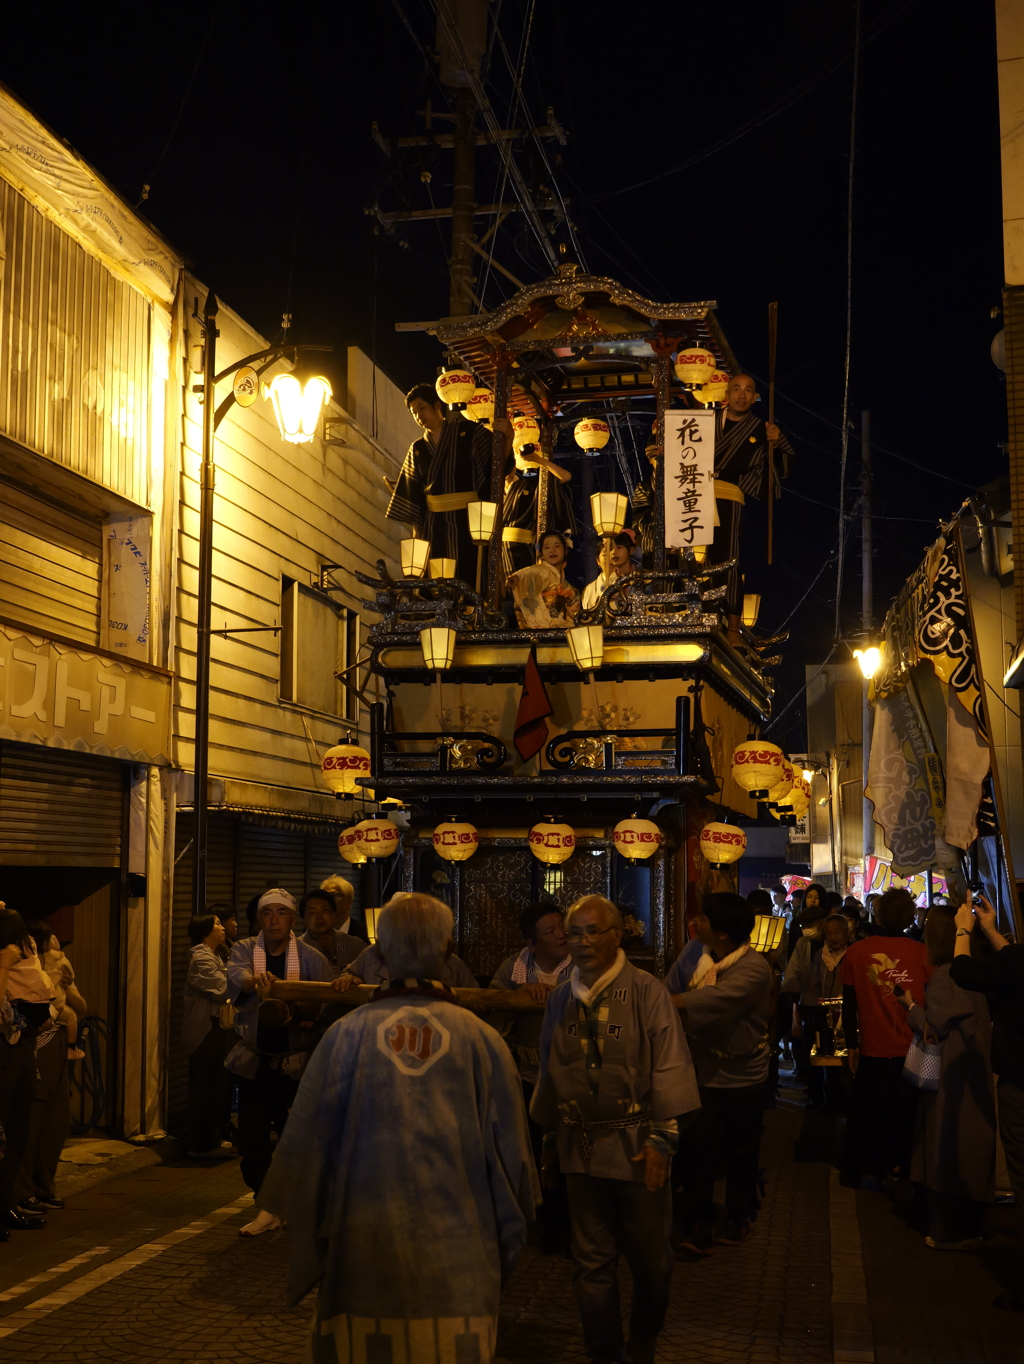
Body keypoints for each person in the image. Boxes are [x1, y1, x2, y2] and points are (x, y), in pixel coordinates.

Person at [258, 892, 538, 1363]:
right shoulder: (481, 1041)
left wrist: (316, 1227)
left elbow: (304, 1153)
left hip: (361, 1250)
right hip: (458, 1259)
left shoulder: (345, 1036)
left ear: (381, 955)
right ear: (448, 953)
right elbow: (515, 1165)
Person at [532, 895, 698, 1364]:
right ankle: (604, 1352)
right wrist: (548, 1140)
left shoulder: (647, 991)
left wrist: (663, 1140)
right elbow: (550, 1068)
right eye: (574, 933)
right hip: (579, 1145)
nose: (582, 943)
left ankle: (643, 1338)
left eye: (593, 932)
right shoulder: (562, 997)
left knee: (652, 1261)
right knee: (590, 1262)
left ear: (616, 934)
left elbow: (669, 1065)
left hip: (637, 1144)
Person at [226, 888, 336, 1234]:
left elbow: (327, 997)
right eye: (267, 913)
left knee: (297, 1139)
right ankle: (266, 1203)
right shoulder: (245, 949)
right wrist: (255, 981)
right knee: (253, 1140)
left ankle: (296, 1201)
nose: (274, 920)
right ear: (259, 919)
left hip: (297, 1063)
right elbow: (236, 977)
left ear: (292, 919)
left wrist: (310, 1011)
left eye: (282, 913)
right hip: (255, 1061)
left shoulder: (310, 956)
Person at [667, 892, 772, 1252]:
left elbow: (716, 1001)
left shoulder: (754, 967)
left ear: (723, 933)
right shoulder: (693, 953)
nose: (697, 923)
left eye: (705, 920)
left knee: (741, 1148)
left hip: (745, 1072)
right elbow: (671, 986)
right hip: (703, 1069)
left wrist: (667, 1002)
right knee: (698, 1148)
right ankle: (699, 1223)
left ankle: (739, 1215)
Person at [895, 905, 995, 1250]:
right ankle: (973, 1223)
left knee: (946, 1143)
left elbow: (931, 1027)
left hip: (952, 1075)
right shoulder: (976, 971)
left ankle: (950, 1230)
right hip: (975, 1069)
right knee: (970, 1144)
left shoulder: (947, 975)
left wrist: (909, 1006)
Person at [949, 894, 1024, 1309]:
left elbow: (963, 971)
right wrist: (992, 931)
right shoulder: (1016, 961)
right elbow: (1014, 962)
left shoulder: (1015, 964)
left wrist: (963, 928)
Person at [490, 902, 573, 1251]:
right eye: (550, 931)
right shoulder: (515, 968)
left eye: (561, 927)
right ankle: (529, 1222)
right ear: (532, 944)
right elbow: (490, 1005)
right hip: (525, 1076)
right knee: (529, 1148)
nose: (561, 935)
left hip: (570, 1078)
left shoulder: (580, 966)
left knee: (567, 1152)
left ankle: (565, 1226)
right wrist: (515, 996)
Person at [840, 887, 931, 1189]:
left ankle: (863, 1170)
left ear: (877, 913)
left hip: (872, 1046)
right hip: (912, 1046)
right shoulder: (922, 952)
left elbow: (849, 1003)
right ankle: (902, 1169)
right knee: (905, 1114)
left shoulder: (856, 951)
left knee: (866, 1111)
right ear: (908, 916)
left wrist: (852, 1044)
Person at [386, 383, 502, 584]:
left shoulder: (469, 432)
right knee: (439, 576)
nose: (418, 415)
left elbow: (497, 464)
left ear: (437, 405)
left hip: (469, 519)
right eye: (414, 412)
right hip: (435, 524)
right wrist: (417, 531)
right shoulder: (418, 448)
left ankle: (472, 610)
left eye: (422, 408)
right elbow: (412, 492)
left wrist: (507, 438)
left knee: (470, 570)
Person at [710, 374, 794, 631]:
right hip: (694, 493)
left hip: (730, 496)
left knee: (728, 559)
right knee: (695, 559)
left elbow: (785, 466)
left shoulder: (761, 428)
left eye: (748, 390)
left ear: (754, 397)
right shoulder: (705, 421)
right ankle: (703, 614)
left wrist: (776, 441)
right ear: (726, 393)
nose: (741, 395)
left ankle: (733, 627)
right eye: (736, 389)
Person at [14, 919, 85, 1216]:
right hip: (38, 1042)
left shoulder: (54, 966)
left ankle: (44, 1186)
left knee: (55, 1121)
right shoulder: (21, 968)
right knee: (32, 1118)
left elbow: (81, 1006)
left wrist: (65, 987)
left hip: (57, 1040)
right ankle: (23, 1192)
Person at [0, 906, 52, 1232]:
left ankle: (4, 1204)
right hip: (4, 1048)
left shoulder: (22, 960)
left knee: (18, 1129)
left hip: (20, 1045)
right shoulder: (5, 963)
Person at [785, 913, 851, 1111]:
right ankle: (820, 1097)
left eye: (837, 932)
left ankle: (841, 1098)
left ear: (847, 933)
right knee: (820, 1059)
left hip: (844, 1015)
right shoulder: (820, 954)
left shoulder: (853, 953)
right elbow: (812, 985)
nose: (833, 937)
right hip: (821, 1016)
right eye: (829, 933)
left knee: (842, 1062)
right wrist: (808, 1011)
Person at [182, 912, 233, 1160]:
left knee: (216, 1085)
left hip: (217, 1027)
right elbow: (222, 986)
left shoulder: (216, 954)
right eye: (216, 924)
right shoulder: (200, 958)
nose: (222, 927)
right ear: (205, 930)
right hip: (205, 1029)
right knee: (205, 1085)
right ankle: (199, 1144)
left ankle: (210, 1139)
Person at [502, 443, 575, 578]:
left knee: (523, 584)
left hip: (522, 547)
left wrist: (537, 459)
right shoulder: (494, 492)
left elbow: (565, 476)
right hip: (497, 548)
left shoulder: (529, 486)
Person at [339, 927, 478, 990]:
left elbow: (476, 996)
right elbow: (348, 973)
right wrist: (348, 979)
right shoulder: (372, 953)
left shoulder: (451, 962)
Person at [507, 530, 581, 628]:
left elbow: (573, 618)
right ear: (541, 553)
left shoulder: (570, 589)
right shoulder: (538, 572)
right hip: (538, 634)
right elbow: (528, 574)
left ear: (565, 551)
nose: (552, 550)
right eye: (547, 547)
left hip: (562, 635)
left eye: (557, 546)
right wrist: (516, 578)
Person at [298, 889, 362, 976]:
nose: (319, 917)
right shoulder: (296, 950)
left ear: (333, 914)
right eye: (312, 912)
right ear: (303, 919)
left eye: (325, 910)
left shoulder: (355, 946)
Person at [581, 531, 637, 611]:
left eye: (619, 547)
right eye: (610, 549)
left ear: (631, 550)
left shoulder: (641, 577)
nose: (614, 552)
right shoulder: (606, 584)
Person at [320, 874, 364, 941]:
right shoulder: (318, 932)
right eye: (324, 897)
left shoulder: (365, 933)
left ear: (349, 901)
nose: (328, 900)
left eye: (334, 896)